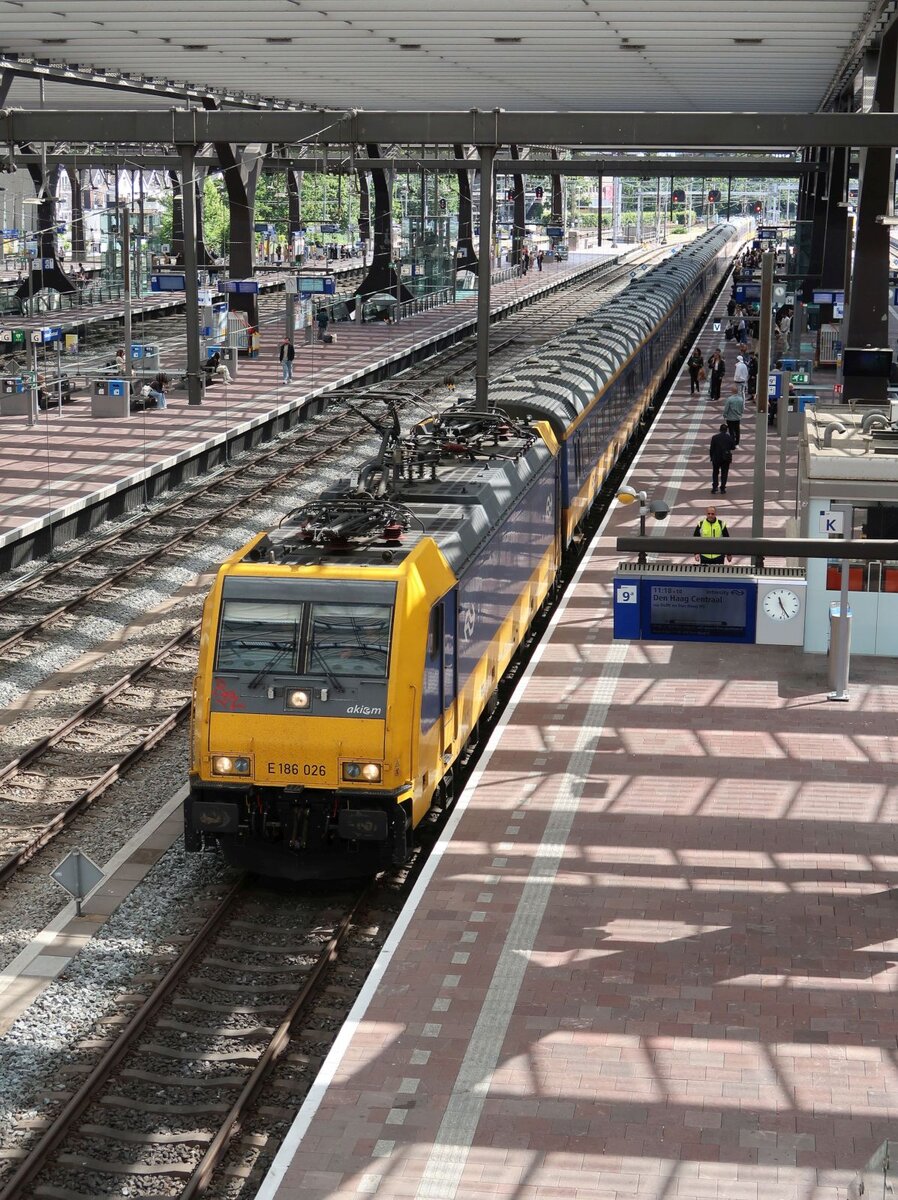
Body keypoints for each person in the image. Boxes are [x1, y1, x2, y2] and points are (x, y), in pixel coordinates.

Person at [709, 423, 736, 494]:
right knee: (724, 473)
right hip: (726, 458)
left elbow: (711, 448)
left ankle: (715, 487)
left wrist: (711, 457)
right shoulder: (729, 437)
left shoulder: (714, 437)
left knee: (715, 472)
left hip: (716, 457)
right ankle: (723, 488)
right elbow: (733, 447)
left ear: (720, 430)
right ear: (726, 430)